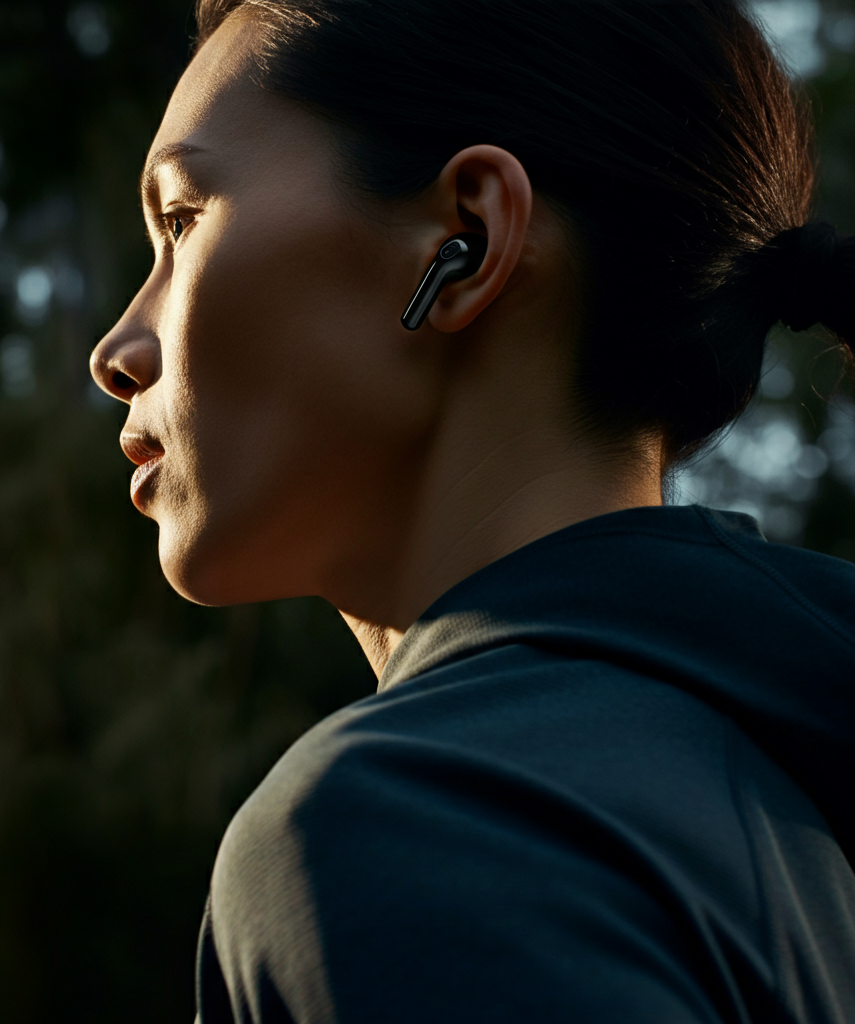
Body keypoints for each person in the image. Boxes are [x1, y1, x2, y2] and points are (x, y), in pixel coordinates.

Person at [89, 0, 855, 1019]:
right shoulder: (785, 787)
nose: (114, 352)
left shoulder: (410, 816)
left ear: (465, 237)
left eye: (182, 220)